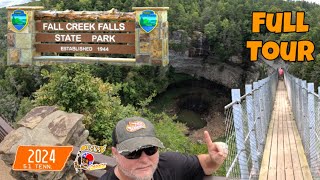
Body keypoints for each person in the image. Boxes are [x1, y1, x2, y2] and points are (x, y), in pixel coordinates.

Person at [99, 117, 228, 180]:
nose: (145, 159)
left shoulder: (169, 164)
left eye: (150, 150)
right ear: (115, 153)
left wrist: (215, 159)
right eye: (133, 153)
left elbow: (204, 165)